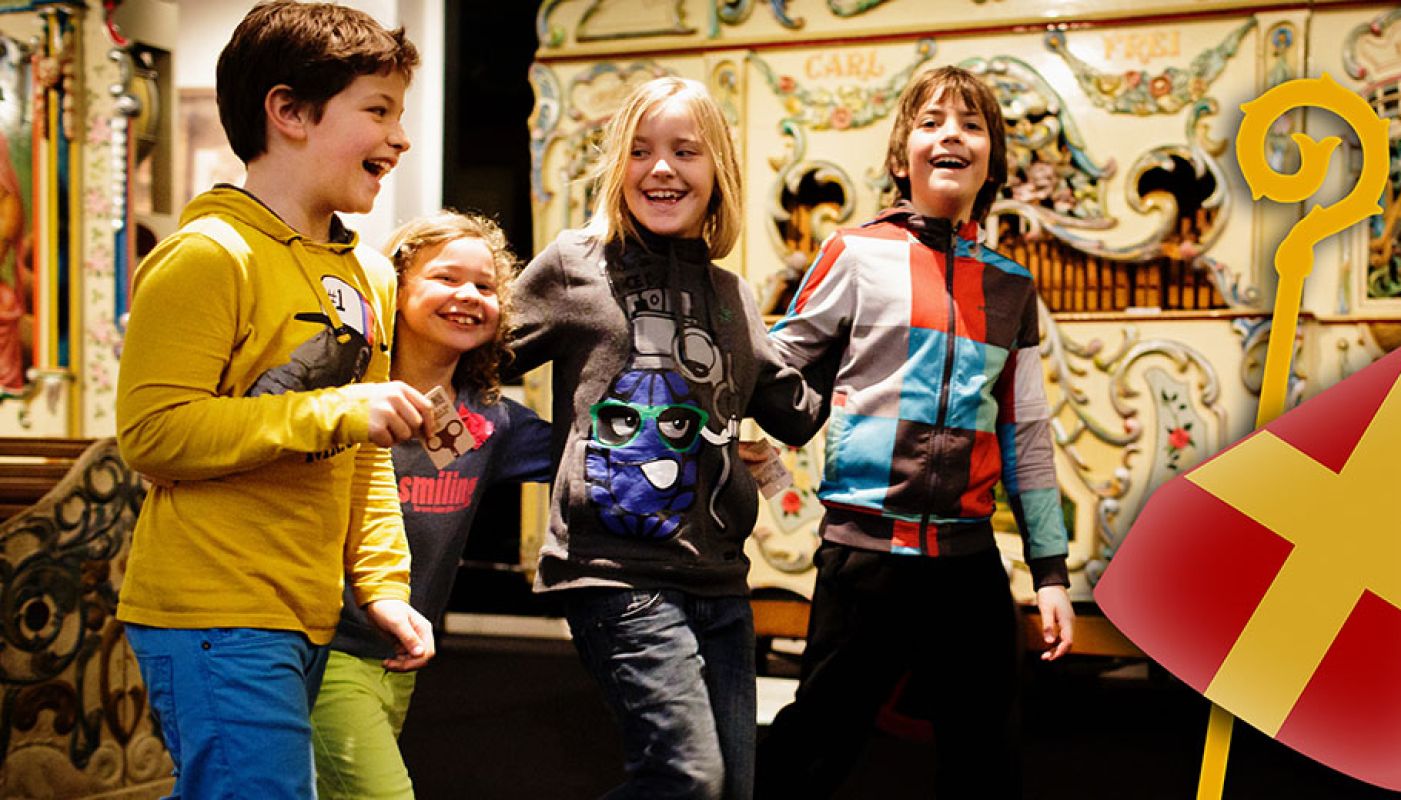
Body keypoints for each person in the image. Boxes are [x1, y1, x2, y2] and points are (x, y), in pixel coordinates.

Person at [114, 3, 431, 796]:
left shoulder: (370, 276)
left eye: (401, 113)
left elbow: (363, 458)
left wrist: (385, 589)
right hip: (211, 607)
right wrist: (334, 411)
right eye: (378, 110)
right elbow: (153, 434)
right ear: (288, 111)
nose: (399, 137)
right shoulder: (207, 256)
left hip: (307, 611)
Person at [754, 65, 1076, 799]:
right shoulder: (854, 254)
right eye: (930, 121)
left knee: (986, 761)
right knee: (815, 748)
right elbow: (778, 370)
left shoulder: (1011, 286)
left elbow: (1025, 434)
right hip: (864, 558)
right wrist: (750, 442)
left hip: (968, 565)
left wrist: (1050, 574)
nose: (950, 135)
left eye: (970, 124)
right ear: (902, 155)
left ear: (991, 156)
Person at [507, 76, 825, 800]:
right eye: (641, 151)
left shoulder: (732, 295)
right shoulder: (573, 265)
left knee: (729, 792)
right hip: (618, 575)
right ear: (618, 165)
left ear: (718, 172)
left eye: (685, 151)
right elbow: (475, 356)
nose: (661, 169)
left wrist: (864, 336)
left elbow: (794, 410)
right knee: (689, 781)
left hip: (719, 581)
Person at [310, 210, 551, 799]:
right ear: (395, 288)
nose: (467, 296)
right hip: (325, 654)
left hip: (400, 663)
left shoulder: (489, 420)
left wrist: (713, 447)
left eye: (486, 286)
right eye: (445, 278)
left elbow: (597, 455)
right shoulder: (341, 396)